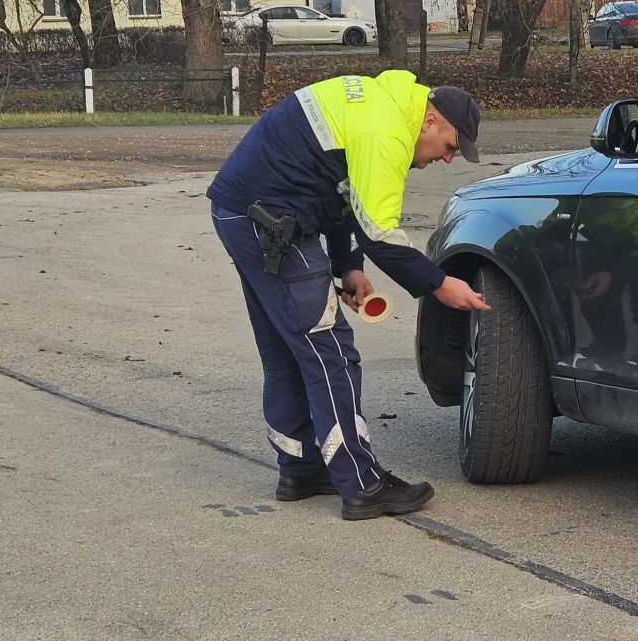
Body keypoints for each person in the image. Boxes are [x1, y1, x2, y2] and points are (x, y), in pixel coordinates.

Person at [206, 70, 491, 520]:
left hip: (241, 212)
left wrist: (347, 265)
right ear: (431, 120)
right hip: (272, 222)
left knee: (288, 348)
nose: (448, 158)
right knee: (330, 352)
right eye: (451, 146)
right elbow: (380, 235)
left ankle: (301, 468)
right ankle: (362, 484)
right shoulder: (387, 131)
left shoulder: (378, 103)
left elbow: (340, 193)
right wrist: (439, 284)